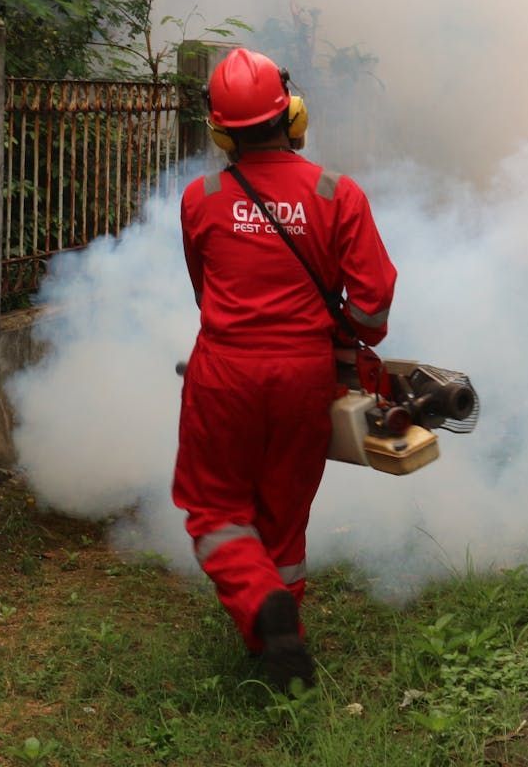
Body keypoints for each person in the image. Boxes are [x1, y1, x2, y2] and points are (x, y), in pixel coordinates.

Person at [174, 47, 397, 691]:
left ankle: (262, 612)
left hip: (223, 375)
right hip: (305, 377)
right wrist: (355, 338)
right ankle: (283, 642)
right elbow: (375, 302)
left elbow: (203, 287)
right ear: (292, 115)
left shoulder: (201, 197)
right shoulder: (337, 193)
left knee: (213, 507)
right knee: (284, 512)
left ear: (220, 132)